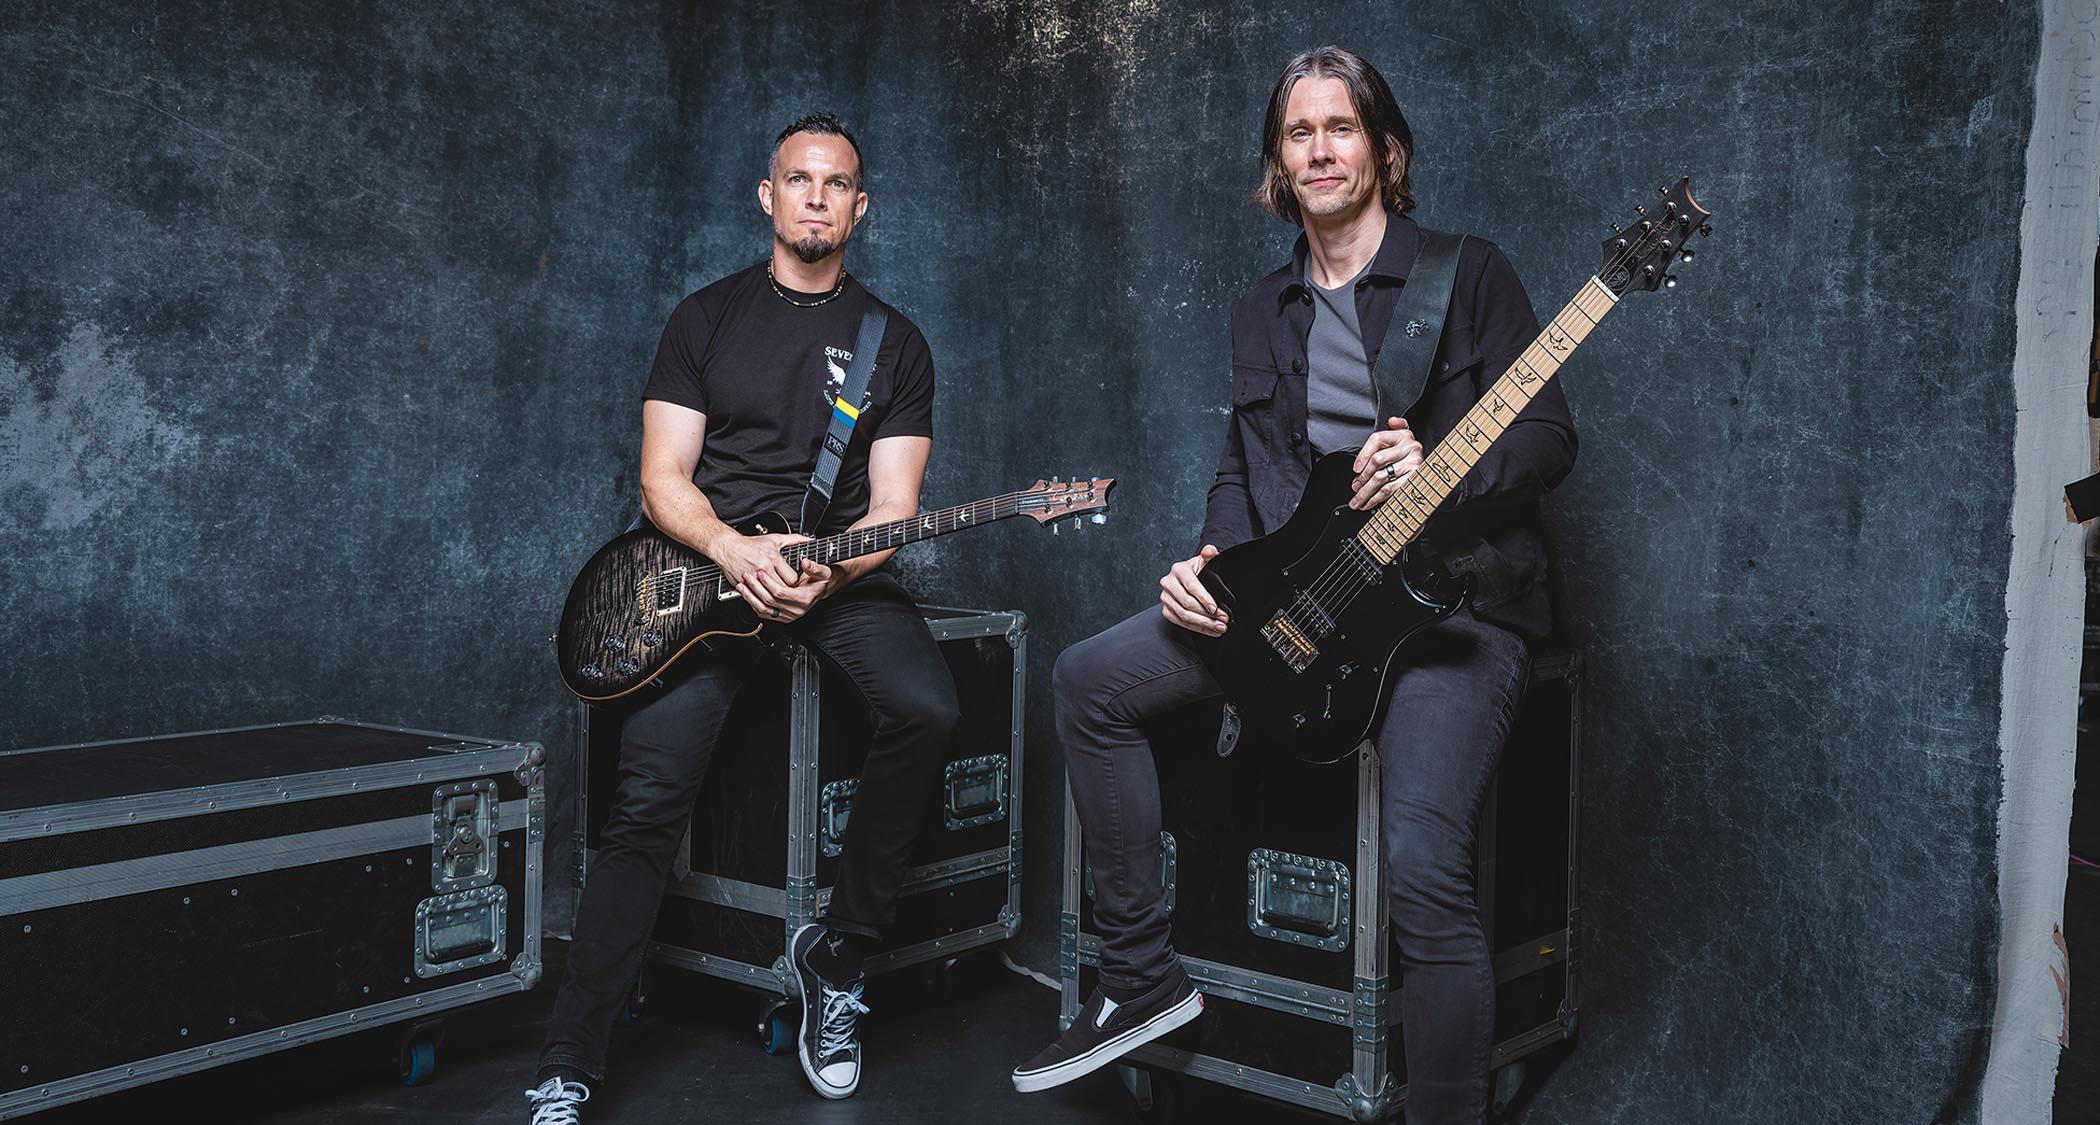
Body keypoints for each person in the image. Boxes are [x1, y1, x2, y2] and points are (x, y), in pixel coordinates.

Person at [1010, 46, 1577, 1124]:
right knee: (1090, 681)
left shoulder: (1469, 274)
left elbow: (1548, 437)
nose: (1319, 149)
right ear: (1279, 161)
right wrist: (1211, 568)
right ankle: (1142, 981)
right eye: (1298, 132)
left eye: (1341, 127)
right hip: (1304, 600)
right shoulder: (1261, 309)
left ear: (1384, 148)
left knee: (1420, 858)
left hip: (1448, 611)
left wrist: (1441, 471)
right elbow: (1248, 470)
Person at [528, 112, 959, 1124]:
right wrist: (733, 551)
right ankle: (569, 1059)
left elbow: (893, 511)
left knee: (929, 708)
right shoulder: (704, 319)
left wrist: (829, 576)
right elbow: (661, 480)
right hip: (709, 583)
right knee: (648, 805)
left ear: (861, 206)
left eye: (837, 182)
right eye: (798, 179)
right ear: (767, 197)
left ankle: (835, 956)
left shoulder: (893, 344)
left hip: (830, 573)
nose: (816, 195)